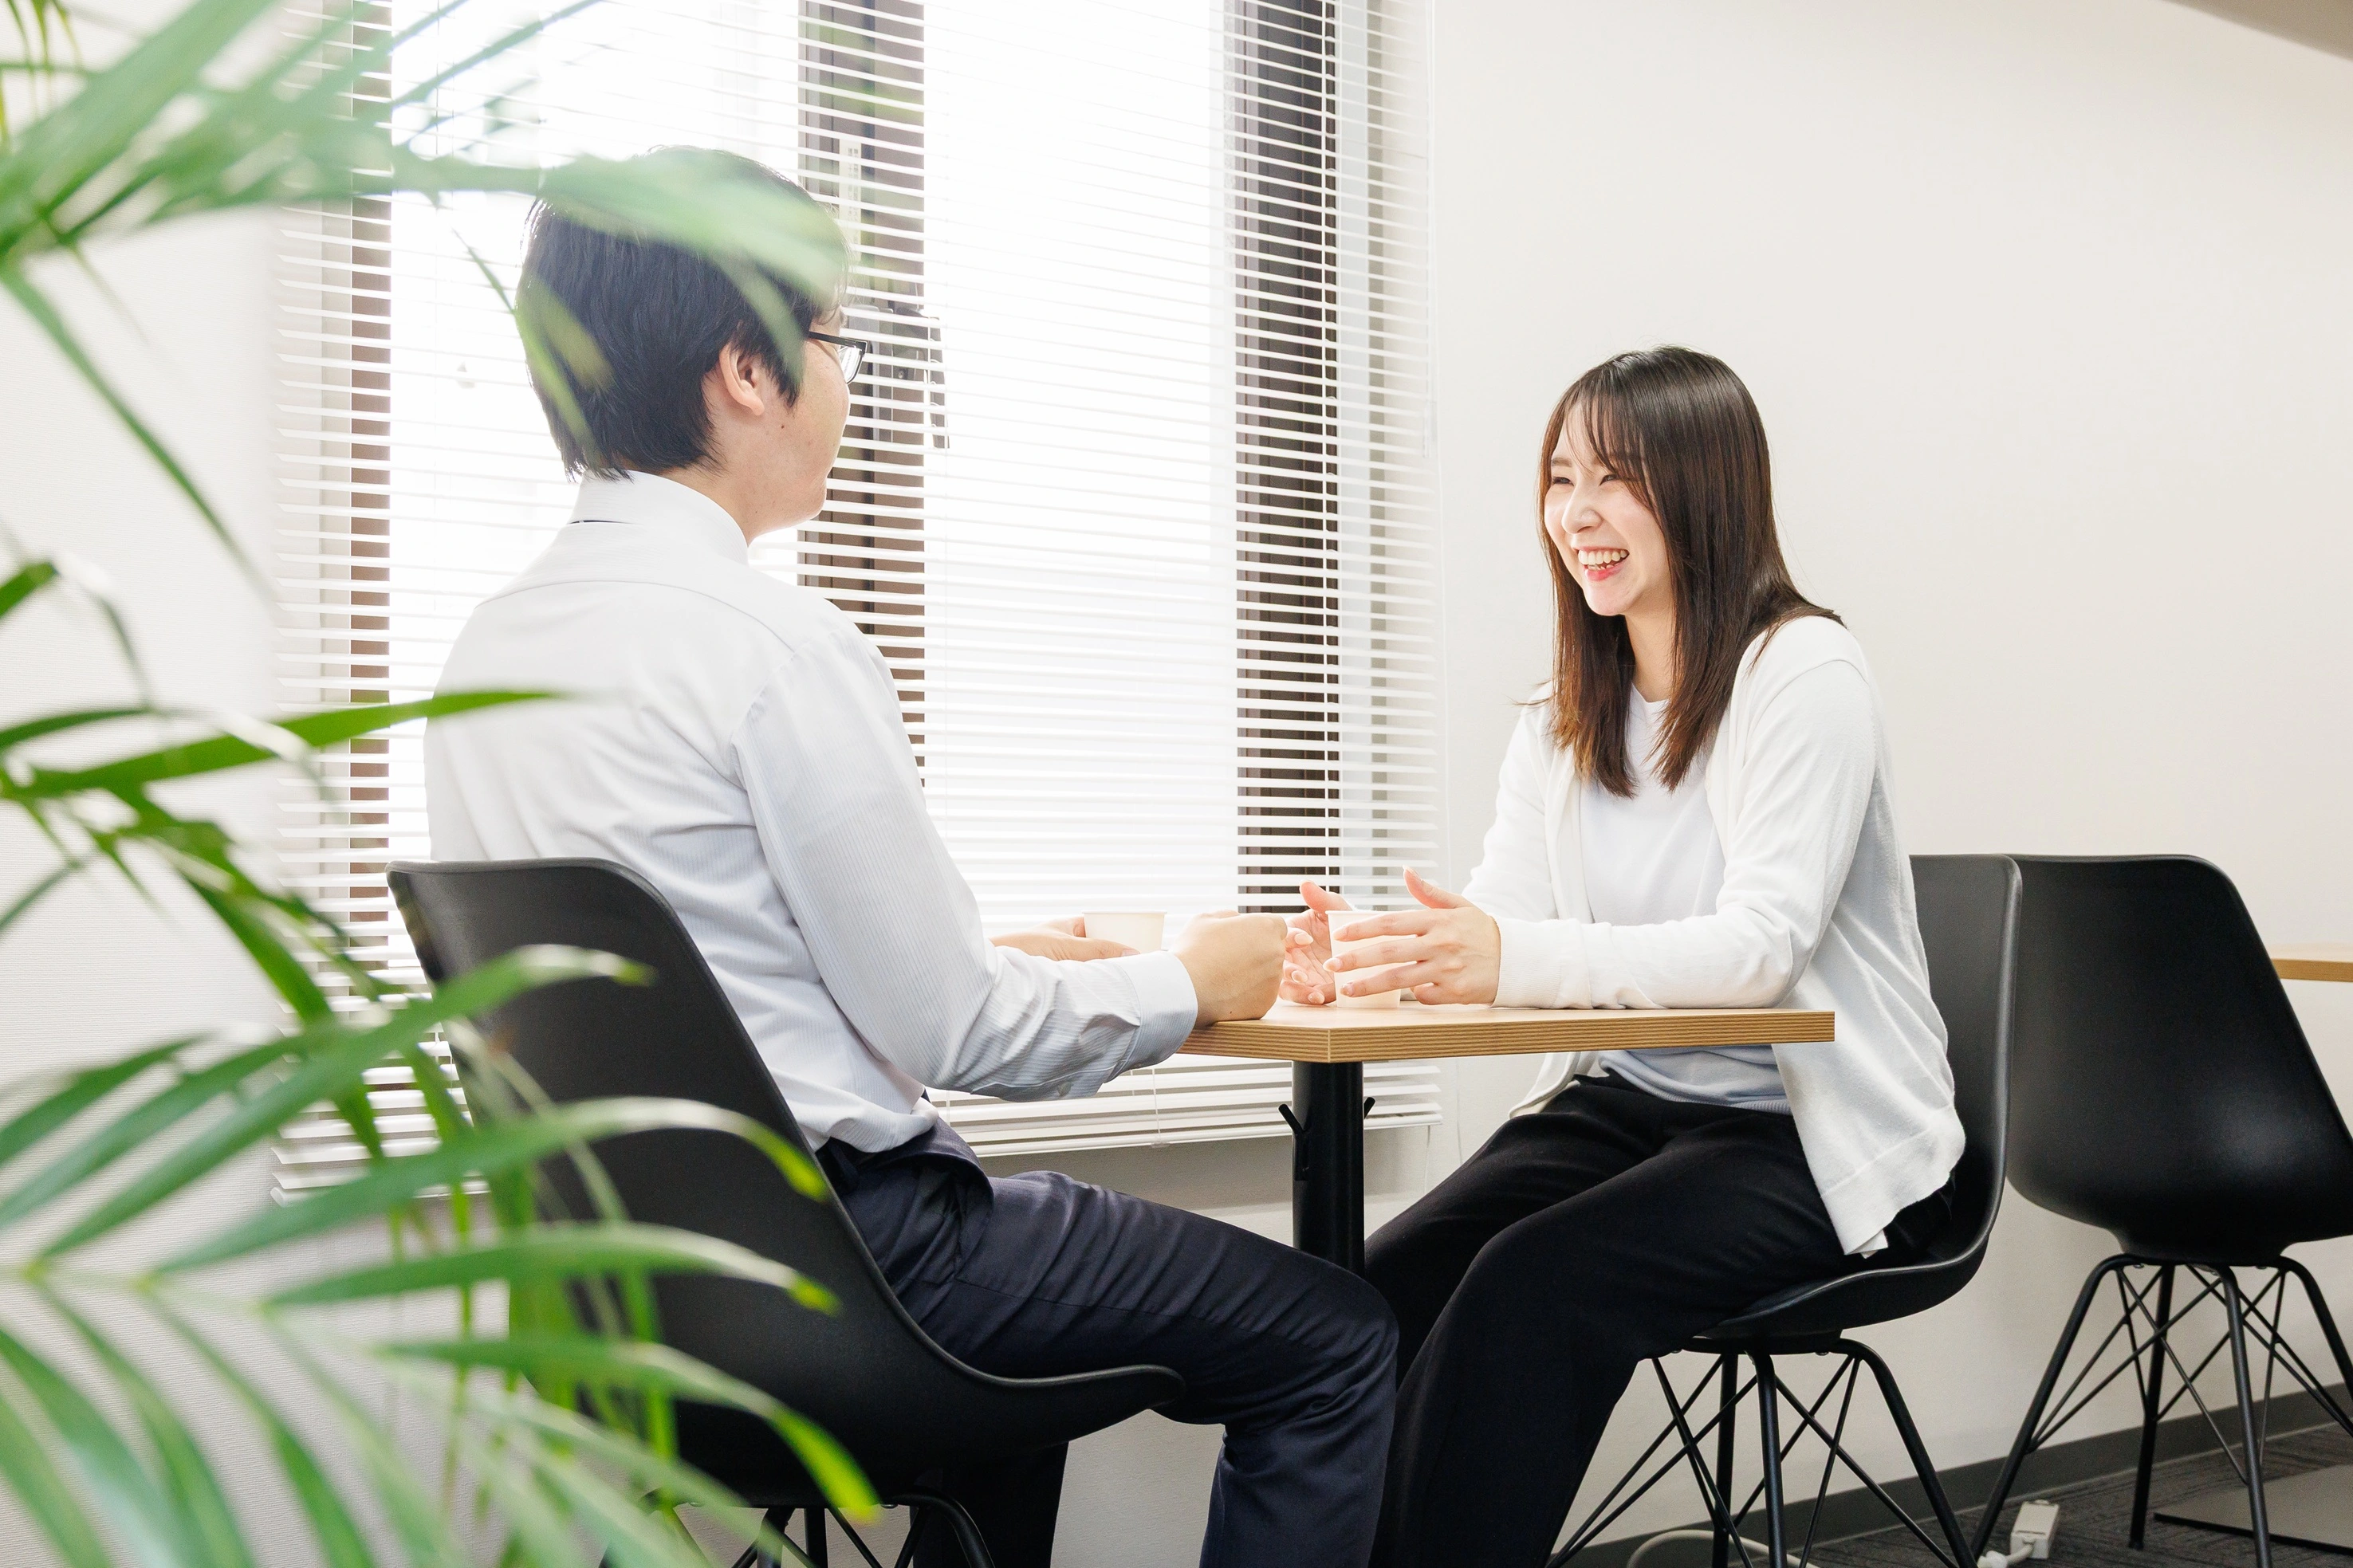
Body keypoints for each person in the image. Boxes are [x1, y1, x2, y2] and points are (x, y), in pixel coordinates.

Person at [425, 150, 1396, 1568]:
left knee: (1030, 1347)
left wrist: (999, 960)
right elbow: (962, 1032)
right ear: (746, 368)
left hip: (619, 1297)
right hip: (851, 1270)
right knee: (1335, 1334)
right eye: (837, 343)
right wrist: (1190, 978)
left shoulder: (490, 649)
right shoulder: (771, 645)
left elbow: (704, 971)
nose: (850, 386)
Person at [1277, 347, 1963, 1567]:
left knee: (1526, 1289)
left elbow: (1758, 950)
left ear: (1706, 486)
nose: (1576, 512)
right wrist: (1382, 958)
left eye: (1615, 477)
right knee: (1366, 1293)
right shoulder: (1563, 710)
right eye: (1559, 478)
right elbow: (1505, 919)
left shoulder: (1801, 671)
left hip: (1801, 1132)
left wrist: (1499, 953)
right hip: (1632, 1101)